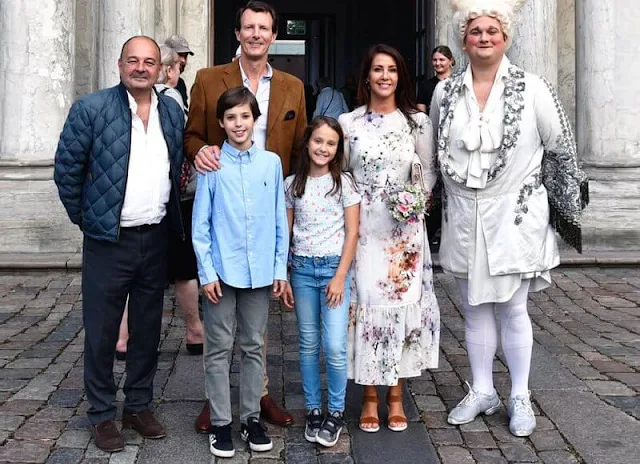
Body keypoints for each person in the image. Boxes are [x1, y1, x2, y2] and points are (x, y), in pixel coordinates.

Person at [431, 0, 587, 437]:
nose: (484, 37)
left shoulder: (533, 87)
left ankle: (519, 394)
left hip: (516, 219)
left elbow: (560, 149)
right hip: (464, 215)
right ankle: (482, 390)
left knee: (513, 308)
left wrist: (557, 210)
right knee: (474, 307)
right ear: (464, 39)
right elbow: (437, 151)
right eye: (475, 31)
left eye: (492, 31)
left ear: (506, 38)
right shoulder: (446, 91)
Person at [53, 36, 185, 452]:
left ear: (161, 69)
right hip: (109, 241)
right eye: (134, 61)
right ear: (119, 64)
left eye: (149, 62)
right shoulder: (91, 109)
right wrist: (90, 219)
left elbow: (176, 168)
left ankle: (140, 405)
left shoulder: (170, 111)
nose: (141, 68)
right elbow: (67, 172)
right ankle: (102, 413)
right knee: (102, 332)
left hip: (155, 236)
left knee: (147, 330)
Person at [184, 0, 307, 430]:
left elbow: (297, 152)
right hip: (224, 199)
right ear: (237, 33)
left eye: (264, 28)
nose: (256, 34)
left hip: (273, 198)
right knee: (223, 322)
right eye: (248, 27)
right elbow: (194, 133)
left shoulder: (292, 86)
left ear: (274, 35)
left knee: (256, 319)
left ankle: (259, 395)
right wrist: (200, 152)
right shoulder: (207, 79)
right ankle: (216, 402)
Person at [338, 44, 441, 433]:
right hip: (364, 233)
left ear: (401, 77)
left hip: (404, 239)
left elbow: (429, 173)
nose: (384, 76)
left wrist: (413, 202)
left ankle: (396, 397)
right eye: (377, 69)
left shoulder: (417, 122)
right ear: (366, 76)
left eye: (392, 70)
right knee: (367, 310)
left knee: (400, 311)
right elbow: (342, 173)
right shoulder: (349, 123)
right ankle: (368, 398)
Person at [192, 86, 287, 458]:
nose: (238, 124)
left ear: (255, 119)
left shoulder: (271, 164)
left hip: (260, 271)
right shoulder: (214, 166)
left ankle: (250, 418)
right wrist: (207, 273)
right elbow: (201, 225)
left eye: (244, 116)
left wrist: (280, 267)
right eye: (230, 117)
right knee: (218, 347)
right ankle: (220, 422)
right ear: (221, 122)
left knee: (253, 346)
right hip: (222, 271)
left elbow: (280, 219)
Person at [115, 44, 203, 360]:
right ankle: (194, 330)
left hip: (156, 196)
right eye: (178, 64)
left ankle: (123, 337)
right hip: (175, 197)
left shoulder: (146, 100)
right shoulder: (171, 99)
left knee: (136, 272)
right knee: (182, 267)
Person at [284, 116, 360, 447]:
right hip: (301, 269)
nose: (323, 148)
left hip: (333, 271)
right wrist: (284, 274)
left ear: (338, 149)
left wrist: (340, 276)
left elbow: (353, 232)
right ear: (307, 142)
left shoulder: (344, 183)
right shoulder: (291, 185)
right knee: (308, 342)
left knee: (334, 345)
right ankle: (314, 409)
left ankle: (337, 411)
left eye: (331, 143)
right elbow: (285, 232)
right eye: (318, 141)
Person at [416, 45, 455, 114]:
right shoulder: (425, 85)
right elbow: (421, 116)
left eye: (441, 60)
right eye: (434, 60)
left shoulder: (458, 83)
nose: (437, 63)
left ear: (450, 61)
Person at [164, 34, 194, 109]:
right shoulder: (154, 80)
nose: (183, 60)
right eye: (180, 55)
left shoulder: (180, 83)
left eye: (185, 56)